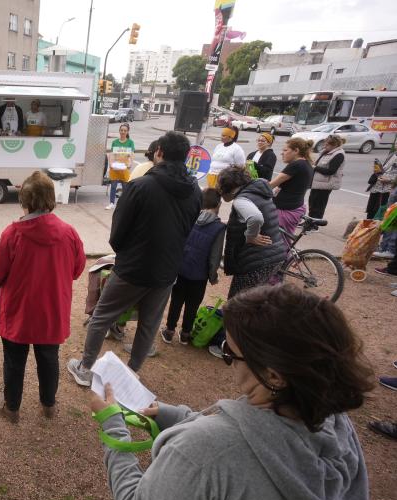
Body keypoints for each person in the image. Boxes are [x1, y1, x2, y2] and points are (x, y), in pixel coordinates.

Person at [89, 284, 373, 500]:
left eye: (230, 353)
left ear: (273, 375)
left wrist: (113, 427)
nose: (229, 364)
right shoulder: (333, 421)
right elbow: (264, 436)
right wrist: (174, 415)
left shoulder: (207, 450)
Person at [67, 131, 201, 384]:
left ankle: (85, 368)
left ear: (159, 152)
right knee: (149, 324)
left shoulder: (140, 186)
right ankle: (132, 374)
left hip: (133, 267)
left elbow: (117, 233)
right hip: (167, 270)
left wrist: (125, 253)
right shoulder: (195, 190)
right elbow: (188, 229)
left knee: (101, 317)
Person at [0, 171, 85, 423]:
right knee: (49, 359)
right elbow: (77, 269)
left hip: (19, 313)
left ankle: (12, 409)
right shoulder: (69, 232)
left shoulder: (13, 233)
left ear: (24, 201)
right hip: (52, 311)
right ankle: (48, 406)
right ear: (51, 198)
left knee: (14, 362)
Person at [160, 188, 226, 345]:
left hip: (181, 269)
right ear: (218, 204)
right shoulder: (219, 228)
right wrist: (212, 275)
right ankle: (185, 334)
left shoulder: (190, 217)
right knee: (193, 304)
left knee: (176, 301)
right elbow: (215, 256)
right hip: (199, 275)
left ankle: (169, 331)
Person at [217, 167, 287, 298]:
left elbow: (255, 217)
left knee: (239, 301)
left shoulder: (241, 200)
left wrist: (251, 236)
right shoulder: (257, 191)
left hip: (257, 261)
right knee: (255, 297)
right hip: (274, 255)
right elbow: (255, 216)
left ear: (228, 188)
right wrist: (230, 223)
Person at [269, 137, 314, 238]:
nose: (282, 153)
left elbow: (271, 185)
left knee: (279, 243)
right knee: (283, 241)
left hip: (287, 210)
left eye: (285, 150)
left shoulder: (296, 164)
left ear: (296, 151)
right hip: (295, 207)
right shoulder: (306, 164)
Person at [308, 135, 346, 219]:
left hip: (326, 184)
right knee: (312, 202)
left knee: (319, 205)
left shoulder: (339, 154)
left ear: (334, 145)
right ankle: (310, 220)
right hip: (317, 182)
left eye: (327, 145)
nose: (324, 146)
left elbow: (331, 171)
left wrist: (315, 168)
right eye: (325, 144)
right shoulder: (327, 152)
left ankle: (315, 224)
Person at [106, 123, 135, 210]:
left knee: (125, 187)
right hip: (115, 167)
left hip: (124, 168)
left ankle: (124, 204)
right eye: (121, 130)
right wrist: (110, 164)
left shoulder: (130, 143)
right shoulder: (115, 142)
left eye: (125, 130)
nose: (123, 132)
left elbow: (132, 155)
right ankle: (111, 203)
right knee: (113, 186)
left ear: (127, 132)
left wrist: (130, 164)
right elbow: (112, 154)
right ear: (119, 131)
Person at [366, 154, 396, 221]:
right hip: (377, 187)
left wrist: (389, 180)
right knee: (371, 211)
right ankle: (368, 227)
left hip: (388, 190)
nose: (396, 145)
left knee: (381, 213)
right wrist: (378, 170)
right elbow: (385, 169)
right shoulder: (393, 154)